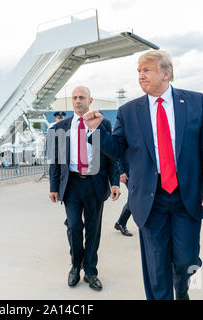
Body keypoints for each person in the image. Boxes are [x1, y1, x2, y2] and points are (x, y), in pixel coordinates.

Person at [84, 50, 203, 300]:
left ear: (166, 73)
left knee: (188, 260)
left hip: (187, 195)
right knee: (157, 267)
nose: (141, 76)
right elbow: (117, 149)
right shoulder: (129, 111)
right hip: (150, 198)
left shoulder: (194, 102)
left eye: (146, 70)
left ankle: (183, 293)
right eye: (138, 71)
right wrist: (96, 133)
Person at [48, 86, 120, 291]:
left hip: (95, 183)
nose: (78, 101)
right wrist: (53, 186)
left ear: (90, 100)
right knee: (73, 227)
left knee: (93, 229)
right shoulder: (60, 128)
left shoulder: (102, 123)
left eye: (82, 97)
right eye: (74, 98)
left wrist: (114, 182)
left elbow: (111, 156)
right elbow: (55, 160)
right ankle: (75, 266)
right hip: (71, 184)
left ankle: (90, 271)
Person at [114, 153, 133, 237]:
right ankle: (121, 222)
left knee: (135, 198)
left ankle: (120, 222)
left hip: (140, 170)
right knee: (134, 199)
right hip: (128, 171)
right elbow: (118, 152)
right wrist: (121, 171)